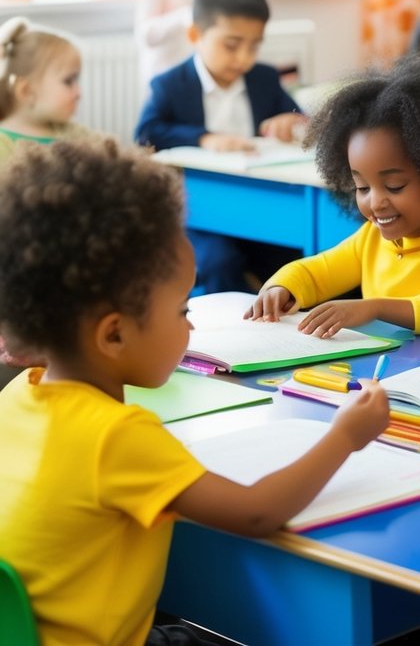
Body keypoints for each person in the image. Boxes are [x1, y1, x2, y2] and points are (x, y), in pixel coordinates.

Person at [0, 138, 390, 646]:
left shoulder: (14, 399)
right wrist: (345, 434)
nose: (191, 328)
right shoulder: (118, 437)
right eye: (184, 310)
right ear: (113, 334)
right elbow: (257, 512)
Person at [246, 53, 420, 335]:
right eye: (362, 187)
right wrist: (280, 286)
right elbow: (317, 272)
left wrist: (375, 308)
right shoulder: (371, 239)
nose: (375, 202)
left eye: (395, 186)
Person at [134, 0, 306, 292]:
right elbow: (146, 133)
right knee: (219, 262)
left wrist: (291, 122)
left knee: (297, 264)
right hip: (198, 215)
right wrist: (204, 138)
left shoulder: (264, 79)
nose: (244, 58)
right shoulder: (171, 84)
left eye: (254, 46)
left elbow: (302, 120)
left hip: (262, 207)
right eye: (231, 45)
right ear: (195, 35)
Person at [0, 16, 88, 166]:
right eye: (68, 81)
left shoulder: (79, 136)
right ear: (26, 91)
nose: (79, 93)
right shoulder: (3, 148)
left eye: (76, 80)